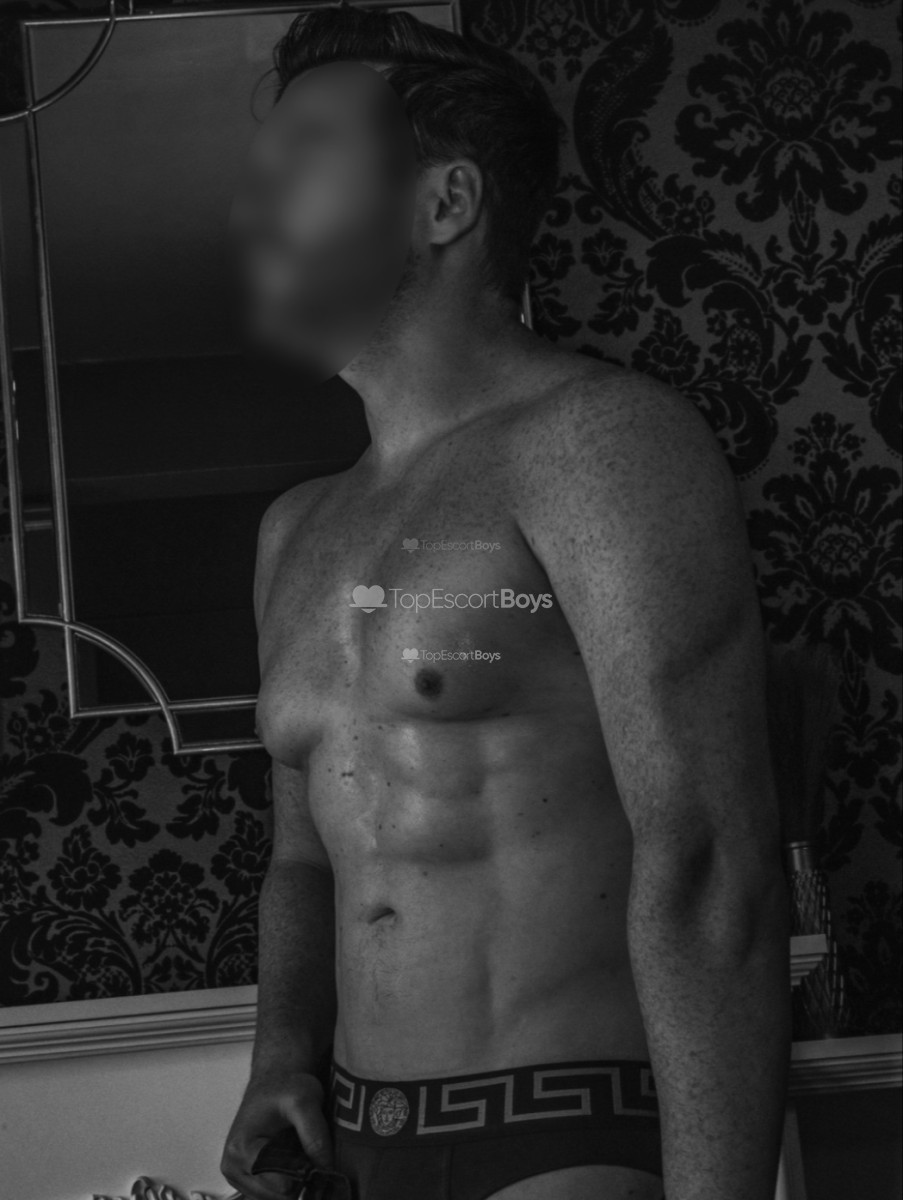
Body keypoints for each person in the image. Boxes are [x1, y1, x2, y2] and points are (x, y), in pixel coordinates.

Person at [221, 9, 790, 1200]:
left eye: (307, 154)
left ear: (445, 203)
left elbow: (708, 859)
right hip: (352, 1143)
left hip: (562, 1139)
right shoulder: (295, 531)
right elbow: (302, 859)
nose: (253, 202)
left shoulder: (599, 445)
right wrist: (280, 1055)